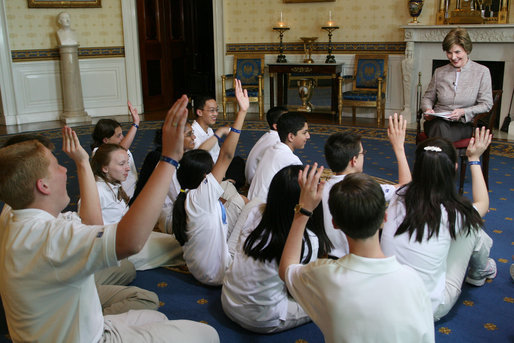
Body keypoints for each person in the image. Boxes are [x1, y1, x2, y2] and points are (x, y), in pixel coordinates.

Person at [0, 96, 219, 342]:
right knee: (207, 334)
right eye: (57, 166)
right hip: (88, 338)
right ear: (42, 186)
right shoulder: (52, 238)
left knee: (157, 316)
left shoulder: (11, 212)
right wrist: (169, 158)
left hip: (57, 322)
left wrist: (84, 162)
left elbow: (92, 225)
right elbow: (130, 241)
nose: (64, 170)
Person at [279, 167, 435, 343]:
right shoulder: (412, 279)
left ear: (335, 223)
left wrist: (304, 210)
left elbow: (287, 269)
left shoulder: (324, 274)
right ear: (385, 217)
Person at [380, 127, 497, 321]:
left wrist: (399, 148)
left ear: (417, 167)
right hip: (428, 310)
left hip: (386, 302)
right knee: (473, 228)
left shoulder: (398, 197)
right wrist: (475, 159)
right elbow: (483, 204)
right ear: (454, 169)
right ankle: (480, 270)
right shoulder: (456, 212)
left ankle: (481, 266)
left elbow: (405, 184)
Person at [221, 165, 331, 333]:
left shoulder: (256, 211)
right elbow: (297, 290)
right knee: (329, 301)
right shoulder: (308, 238)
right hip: (261, 318)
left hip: (228, 300)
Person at [172, 79, 249, 286]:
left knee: (239, 201)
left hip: (199, 269)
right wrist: (241, 113)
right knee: (256, 208)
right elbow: (226, 156)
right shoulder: (201, 197)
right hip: (219, 273)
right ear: (203, 176)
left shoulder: (186, 194)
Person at [322, 113, 411, 258]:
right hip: (358, 257)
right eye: (363, 153)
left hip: (328, 257)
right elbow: (405, 187)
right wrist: (399, 147)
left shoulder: (320, 188)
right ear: (354, 160)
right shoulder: (366, 189)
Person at [88, 143, 184, 271]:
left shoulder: (112, 185)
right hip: (117, 247)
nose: (128, 168)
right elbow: (92, 233)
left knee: (176, 241)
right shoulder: (97, 191)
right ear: (105, 168)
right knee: (179, 245)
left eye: (127, 163)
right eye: (122, 164)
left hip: (127, 235)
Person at [421, 27, 492, 142]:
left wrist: (464, 112)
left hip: (463, 124)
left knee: (440, 136)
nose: (453, 57)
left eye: (457, 52)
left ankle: (438, 158)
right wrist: (428, 109)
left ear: (467, 50)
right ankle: (449, 160)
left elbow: (486, 104)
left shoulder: (482, 72)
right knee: (439, 128)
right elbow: (427, 98)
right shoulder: (439, 72)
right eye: (449, 53)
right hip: (438, 122)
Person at [248, 112, 310, 202]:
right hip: (264, 210)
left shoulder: (271, 149)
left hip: (252, 205)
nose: (308, 136)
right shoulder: (292, 161)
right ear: (291, 137)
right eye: (304, 133)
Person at [192, 95, 246, 189]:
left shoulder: (209, 130)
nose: (216, 114)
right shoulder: (192, 132)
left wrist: (223, 169)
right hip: (205, 173)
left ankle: (228, 183)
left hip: (218, 167)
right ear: (199, 112)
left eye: (217, 110)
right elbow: (199, 154)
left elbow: (218, 153)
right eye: (212, 110)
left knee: (238, 161)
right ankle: (227, 184)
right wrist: (219, 132)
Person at [91, 101, 140, 198]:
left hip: (134, 192)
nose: (123, 137)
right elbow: (120, 150)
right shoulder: (98, 152)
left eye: (122, 134)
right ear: (106, 140)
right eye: (118, 136)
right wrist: (135, 124)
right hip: (121, 198)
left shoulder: (122, 148)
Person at [244, 106, 288, 184]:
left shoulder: (269, 135)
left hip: (252, 178)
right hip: (257, 182)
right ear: (276, 126)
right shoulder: (278, 141)